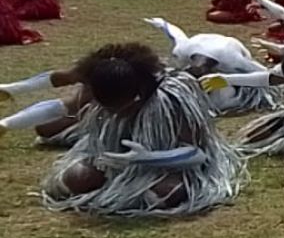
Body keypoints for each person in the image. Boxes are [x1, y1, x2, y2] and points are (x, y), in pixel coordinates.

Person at [0, 43, 246, 217]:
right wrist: (8, 120)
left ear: (138, 97)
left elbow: (197, 154)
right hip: (112, 154)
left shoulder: (174, 98)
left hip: (169, 164)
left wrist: (147, 158)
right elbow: (65, 98)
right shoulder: (98, 72)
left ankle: (125, 190)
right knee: (73, 176)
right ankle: (112, 183)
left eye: (121, 109)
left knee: (161, 194)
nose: (114, 114)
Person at [144, 18, 279, 116]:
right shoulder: (184, 50)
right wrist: (162, 24)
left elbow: (265, 74)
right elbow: (176, 35)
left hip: (232, 52)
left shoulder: (233, 60)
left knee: (221, 101)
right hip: (208, 46)